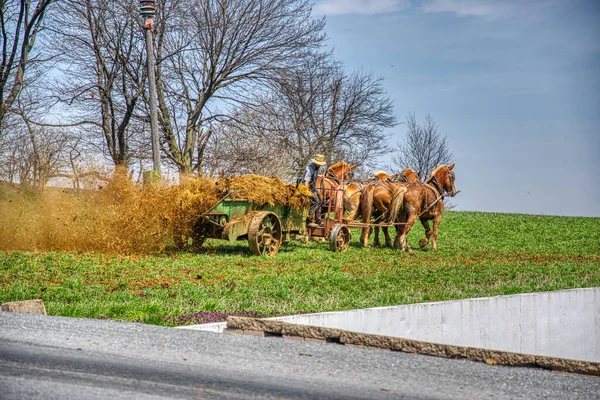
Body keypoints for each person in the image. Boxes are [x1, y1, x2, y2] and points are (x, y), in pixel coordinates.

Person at [302, 154, 326, 227]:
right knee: (315, 201)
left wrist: (319, 176)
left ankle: (318, 219)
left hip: (313, 186)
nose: (320, 165)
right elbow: (306, 180)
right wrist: (306, 192)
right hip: (307, 186)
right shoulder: (309, 168)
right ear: (315, 162)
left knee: (320, 201)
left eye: (320, 164)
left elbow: (313, 175)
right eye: (319, 164)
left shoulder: (316, 168)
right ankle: (308, 220)